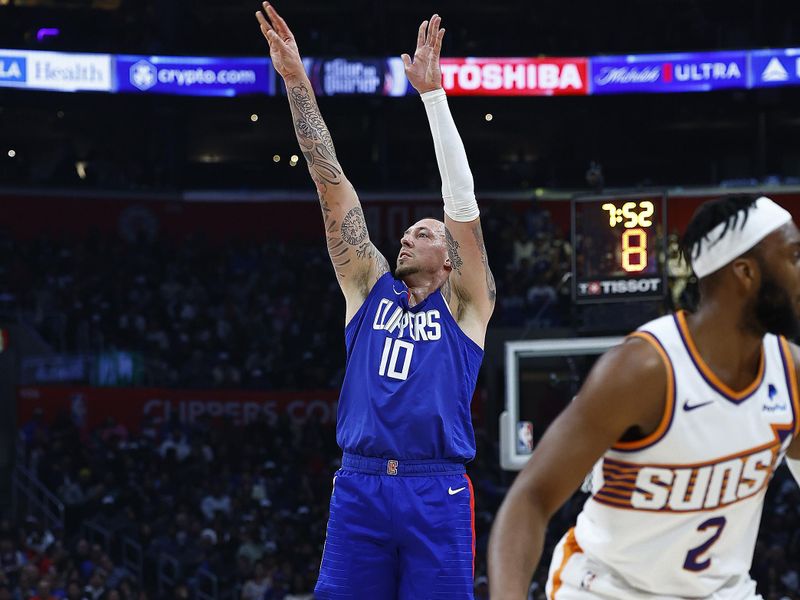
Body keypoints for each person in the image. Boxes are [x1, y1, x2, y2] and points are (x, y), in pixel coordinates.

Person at [255, 4, 495, 599]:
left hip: (435, 488)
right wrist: (297, 83)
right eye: (407, 230)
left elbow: (461, 207)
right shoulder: (367, 287)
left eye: (424, 232)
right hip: (359, 486)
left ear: (450, 259)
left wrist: (434, 99)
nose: (407, 236)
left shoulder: (467, 307)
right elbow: (328, 178)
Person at [488, 195, 800, 599]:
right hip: (608, 590)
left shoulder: (790, 372)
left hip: (723, 592)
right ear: (745, 273)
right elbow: (529, 499)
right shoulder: (645, 370)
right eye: (794, 257)